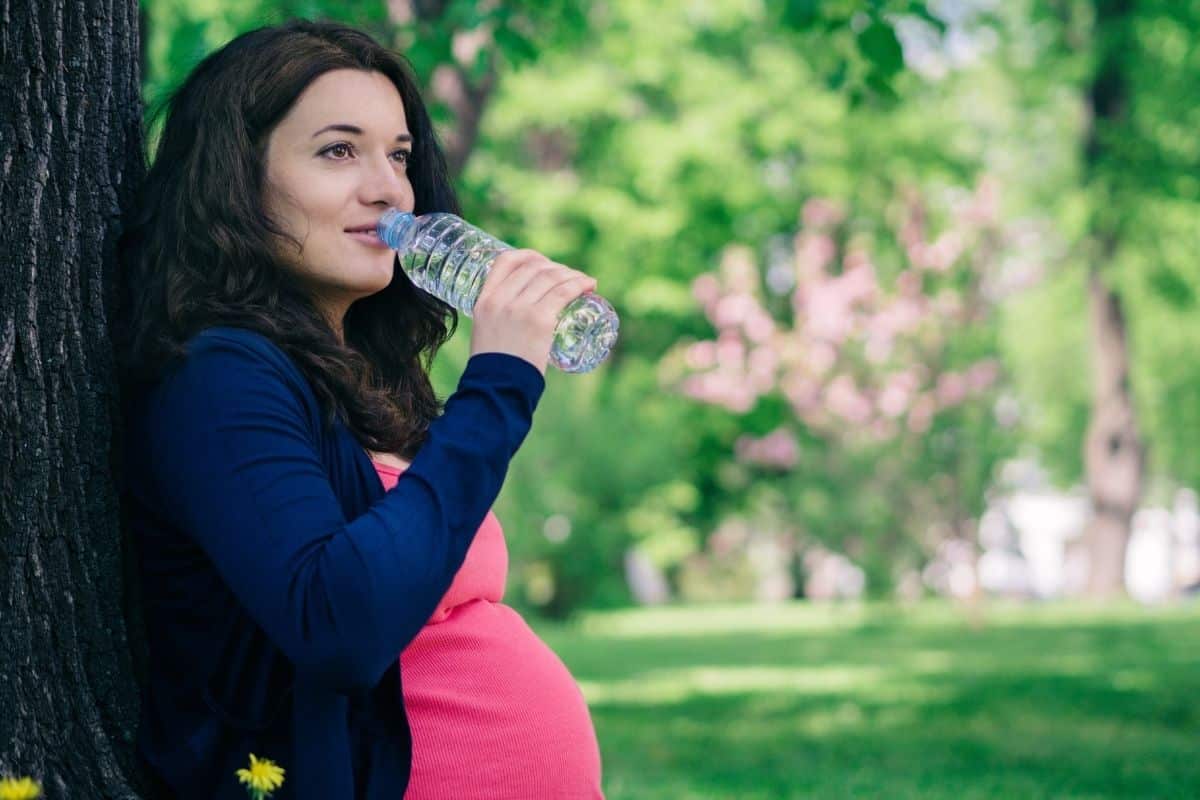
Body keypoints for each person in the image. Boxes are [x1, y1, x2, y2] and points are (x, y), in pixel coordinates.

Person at [114, 18, 605, 800]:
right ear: (235, 176)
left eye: (399, 156)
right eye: (339, 150)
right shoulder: (217, 375)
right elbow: (339, 628)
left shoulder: (363, 379)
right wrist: (500, 385)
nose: (388, 190)